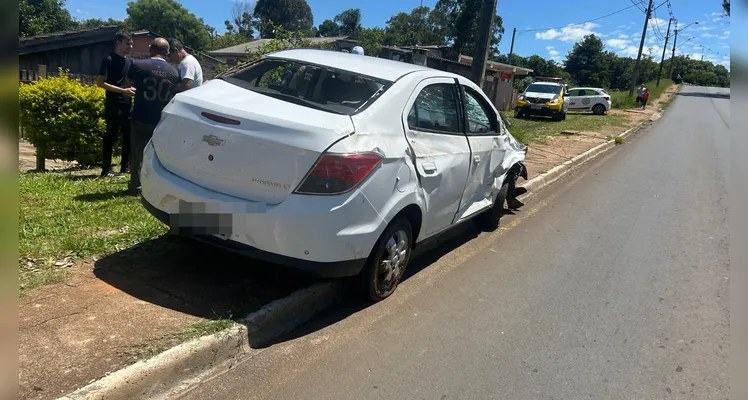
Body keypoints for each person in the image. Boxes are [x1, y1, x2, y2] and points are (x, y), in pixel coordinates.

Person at [126, 38, 181, 195]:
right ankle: (158, 185)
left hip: (141, 116)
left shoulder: (137, 65)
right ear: (166, 52)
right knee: (159, 154)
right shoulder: (174, 72)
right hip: (161, 120)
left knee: (137, 152)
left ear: (151, 49)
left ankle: (136, 186)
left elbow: (130, 83)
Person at [96, 31, 135, 178]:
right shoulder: (109, 59)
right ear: (118, 43)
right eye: (127, 44)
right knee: (111, 137)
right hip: (114, 103)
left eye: (131, 44)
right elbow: (100, 83)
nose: (130, 47)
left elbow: (130, 81)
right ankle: (106, 170)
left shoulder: (130, 61)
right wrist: (122, 90)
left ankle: (125, 167)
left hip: (127, 104)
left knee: (128, 136)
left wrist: (132, 89)